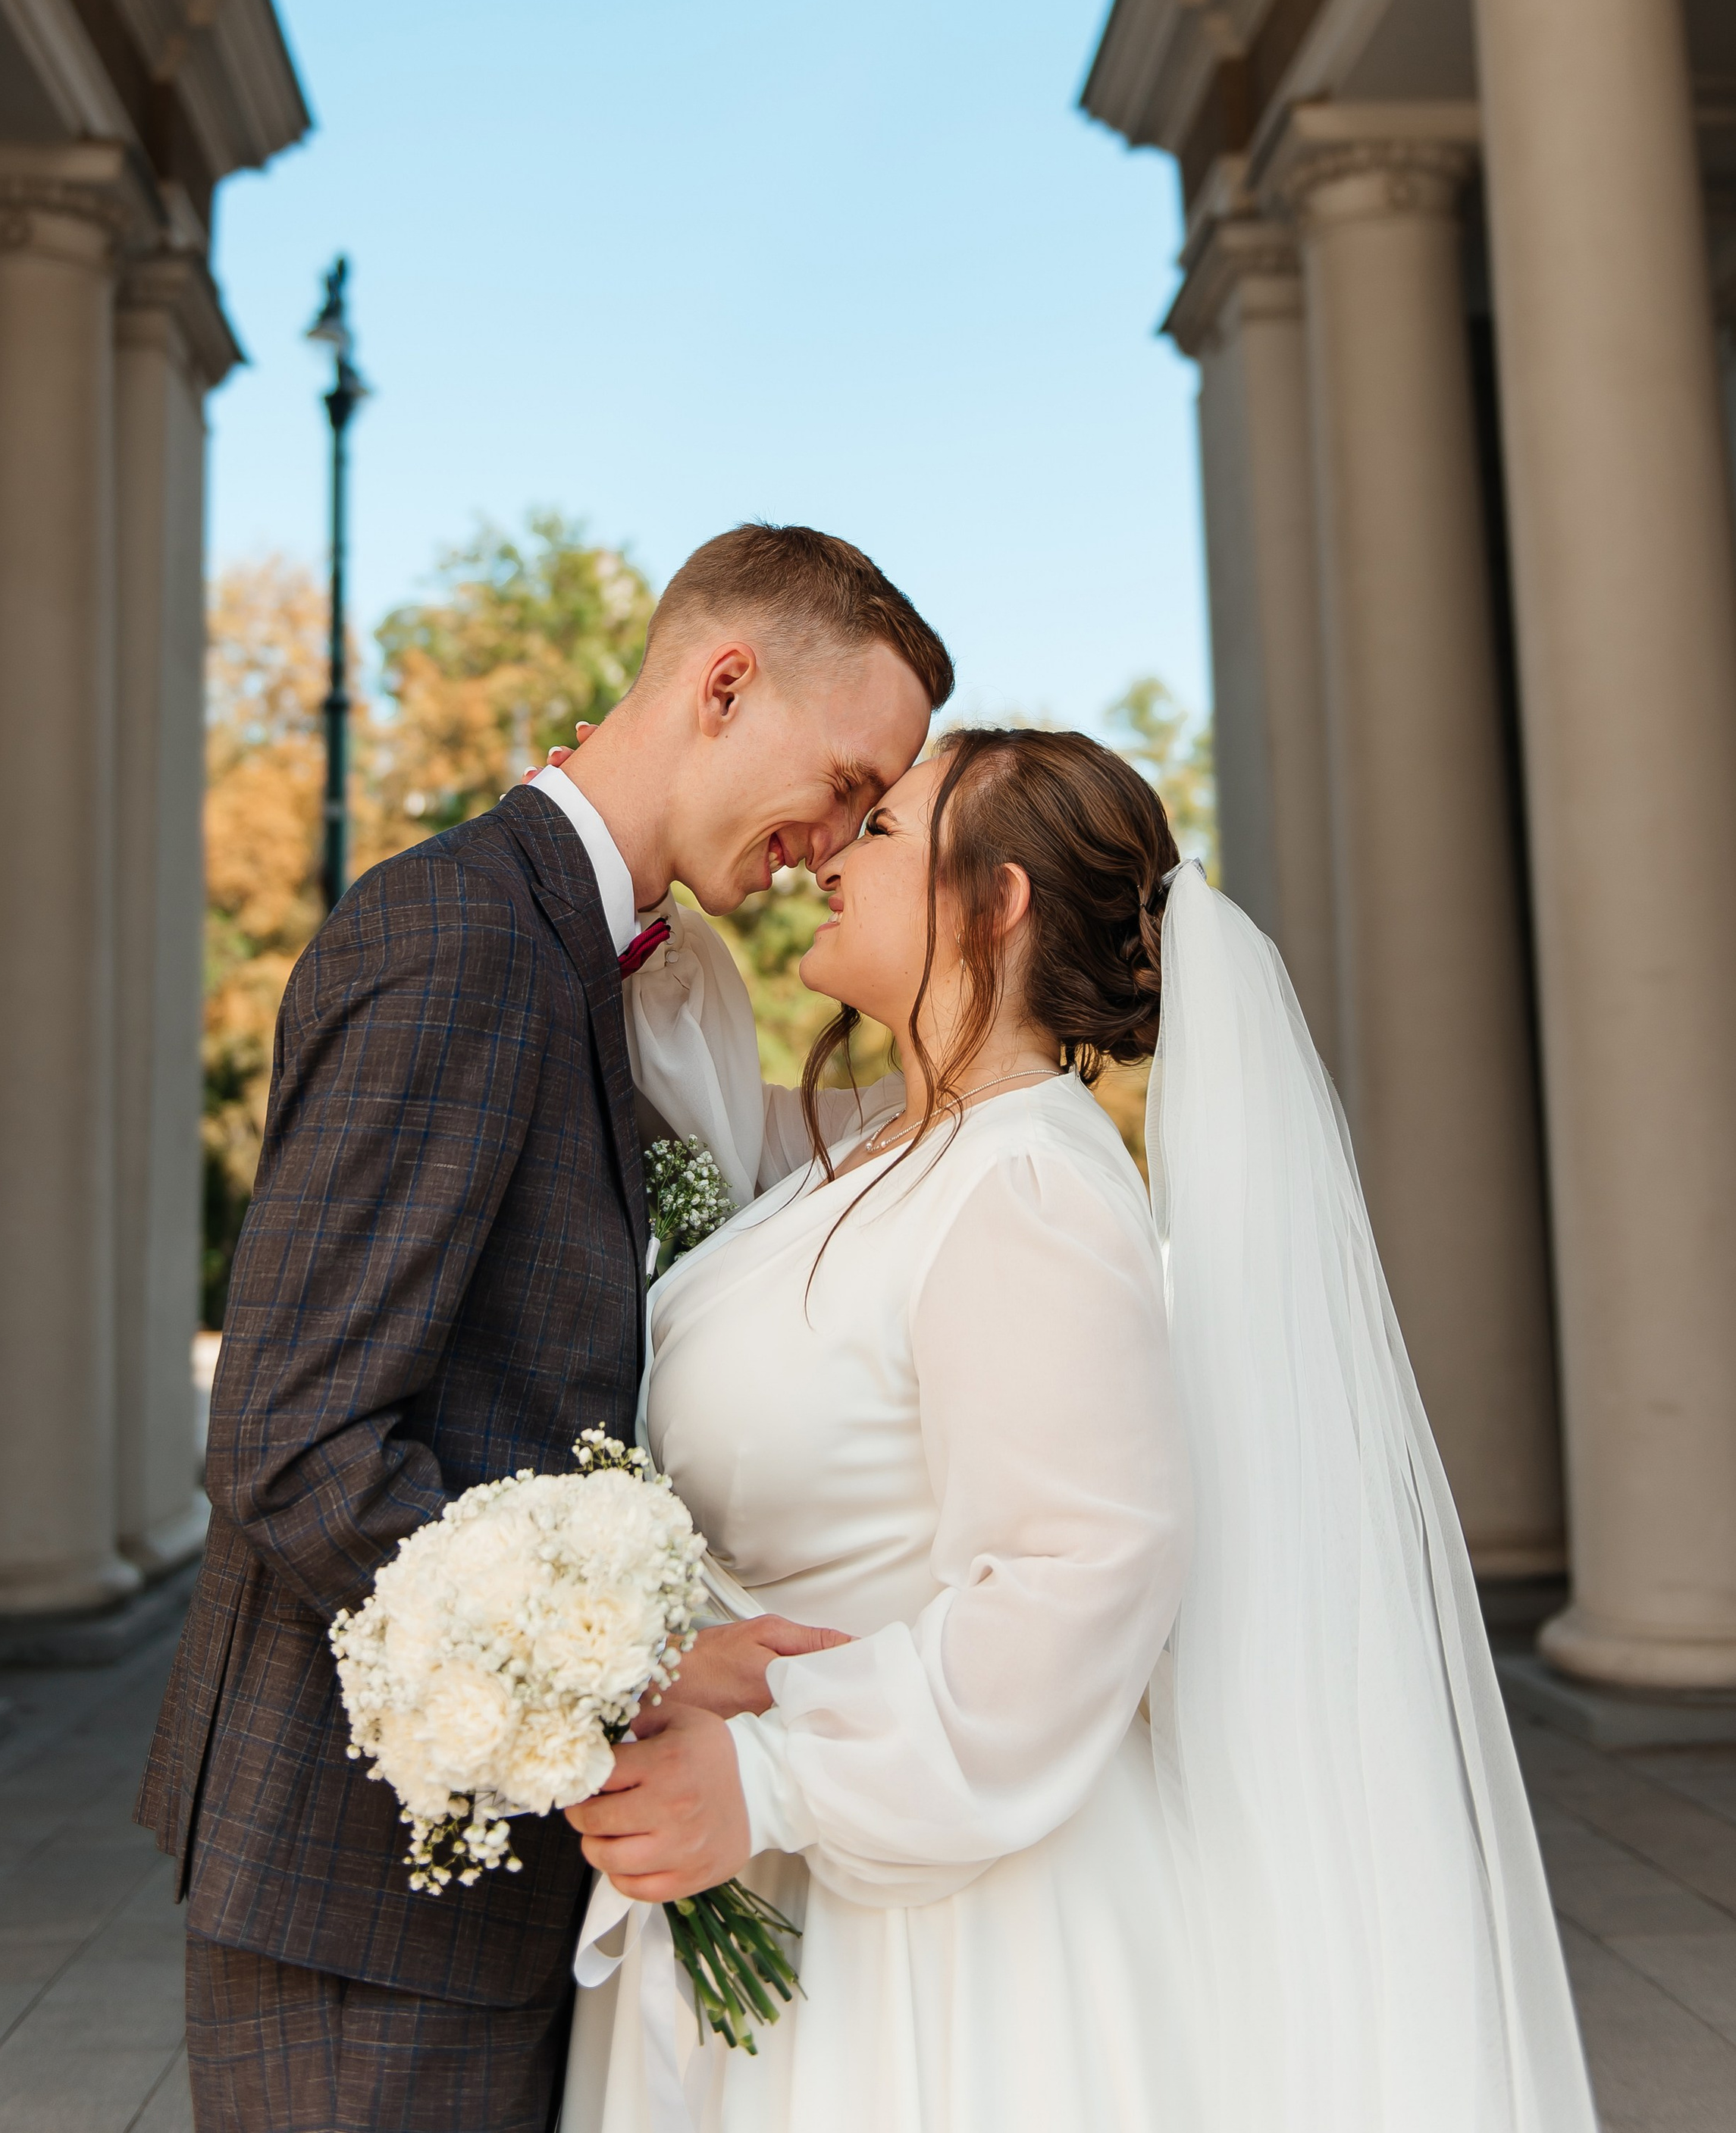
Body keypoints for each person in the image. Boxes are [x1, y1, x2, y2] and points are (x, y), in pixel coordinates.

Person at [561, 728, 1598, 2133]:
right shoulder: (879, 1148)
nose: (831, 857)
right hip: (799, 1863)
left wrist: (774, 1777)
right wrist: (629, 844)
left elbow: (1080, 1577)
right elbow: (696, 1111)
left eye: (882, 831)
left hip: (944, 1938)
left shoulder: (1028, 1189)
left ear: (997, 903)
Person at [137, 523, 953, 2133]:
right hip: (364, 1888)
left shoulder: (634, 968)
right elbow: (295, 1441)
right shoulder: (460, 938)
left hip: (496, 1879)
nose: (840, 838)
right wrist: (648, 1661)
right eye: (849, 779)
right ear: (725, 684)